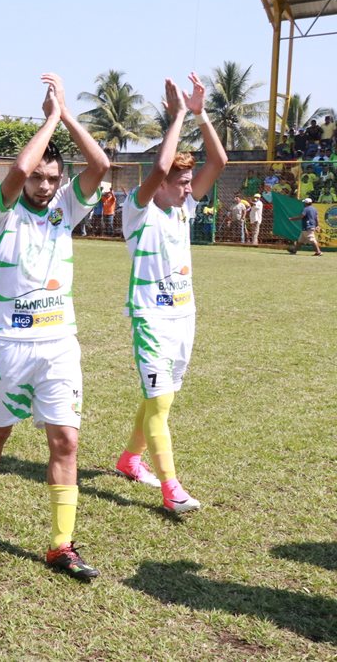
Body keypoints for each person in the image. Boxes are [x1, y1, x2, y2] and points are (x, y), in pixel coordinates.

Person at [0, 74, 109, 582]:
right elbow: (20, 165)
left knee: (65, 441)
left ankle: (60, 545)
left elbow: (102, 166)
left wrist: (67, 114)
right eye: (38, 179)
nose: (43, 185)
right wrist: (48, 118)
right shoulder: (1, 213)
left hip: (58, 345)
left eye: (52, 179)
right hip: (7, 346)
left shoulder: (66, 209)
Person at [112, 74, 228, 515]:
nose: (187, 186)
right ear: (159, 185)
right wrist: (177, 114)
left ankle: (129, 459)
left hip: (185, 317)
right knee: (160, 401)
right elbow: (160, 167)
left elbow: (219, 161)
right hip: (151, 319)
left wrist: (201, 113)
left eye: (187, 182)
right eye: (180, 181)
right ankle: (171, 488)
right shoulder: (138, 212)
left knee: (160, 398)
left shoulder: (184, 208)